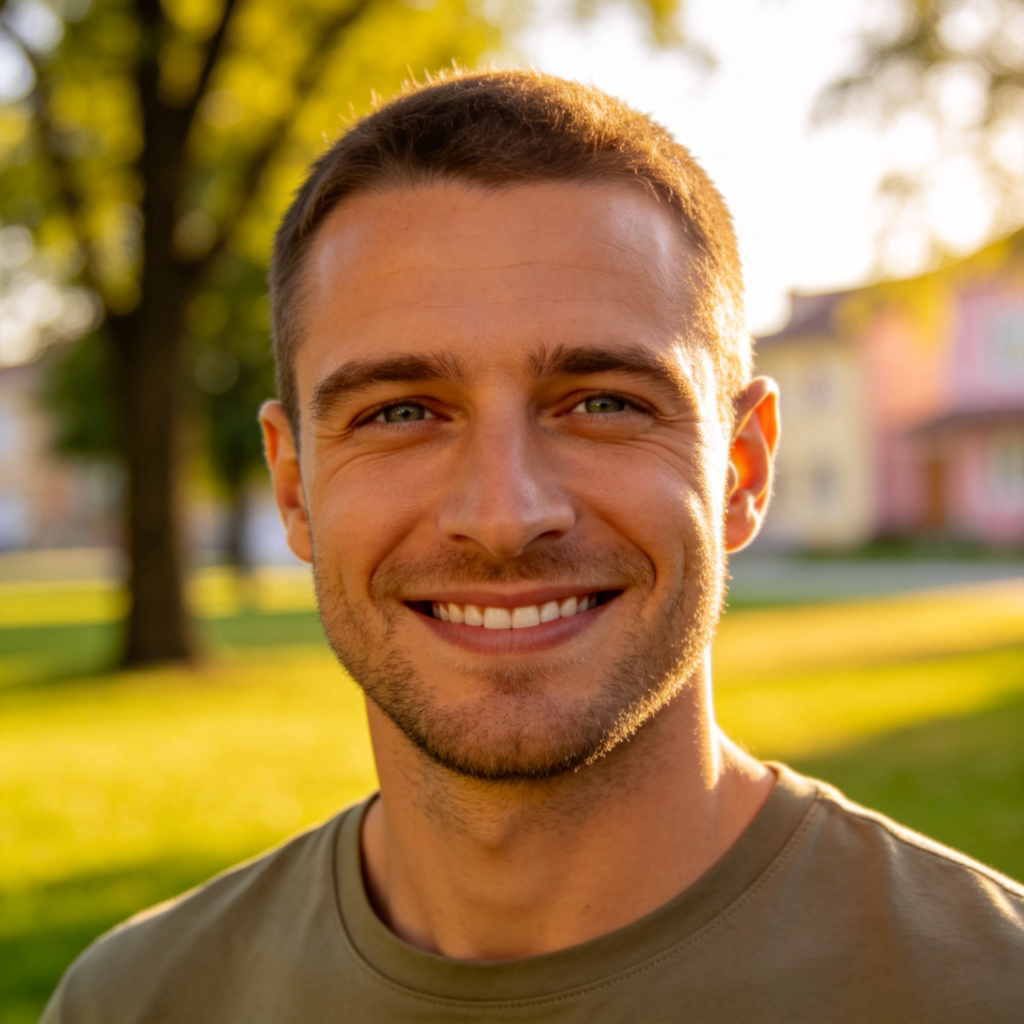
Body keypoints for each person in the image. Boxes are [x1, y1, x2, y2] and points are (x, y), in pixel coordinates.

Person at [42, 69, 1023, 1023]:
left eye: (602, 402)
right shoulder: (133, 1001)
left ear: (740, 469)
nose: (505, 515)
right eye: (402, 412)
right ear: (294, 485)